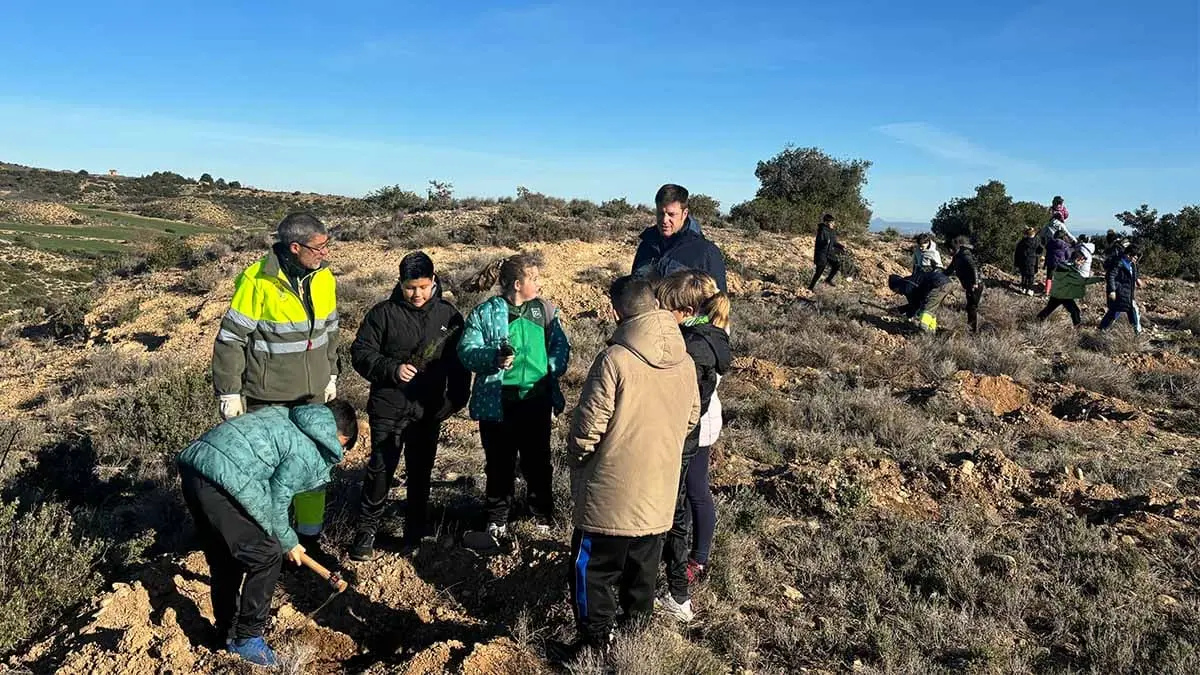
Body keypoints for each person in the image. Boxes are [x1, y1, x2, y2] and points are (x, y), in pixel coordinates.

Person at [561, 276, 700, 656]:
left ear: (615, 311)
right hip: (659, 493)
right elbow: (691, 419)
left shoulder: (615, 359)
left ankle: (593, 645)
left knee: (593, 571)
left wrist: (578, 461)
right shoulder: (685, 360)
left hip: (610, 492)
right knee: (642, 575)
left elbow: (587, 429)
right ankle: (633, 643)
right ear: (655, 303)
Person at [177, 400, 359, 667]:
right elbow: (276, 500)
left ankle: (226, 635)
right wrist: (289, 541)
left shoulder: (286, 416)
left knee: (224, 558)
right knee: (267, 555)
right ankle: (248, 638)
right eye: (343, 448)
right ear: (340, 437)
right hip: (224, 479)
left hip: (196, 468)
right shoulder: (308, 449)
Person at [211, 211, 340, 563]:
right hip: (267, 397)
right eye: (319, 247)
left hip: (312, 396)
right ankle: (268, 544)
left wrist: (331, 372)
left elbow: (330, 330)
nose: (325, 253)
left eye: (327, 245)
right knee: (268, 474)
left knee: (314, 471)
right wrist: (229, 391)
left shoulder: (324, 277)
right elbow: (231, 339)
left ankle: (309, 540)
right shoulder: (257, 280)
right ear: (294, 247)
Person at [348, 252, 471, 561]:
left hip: (427, 409)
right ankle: (366, 531)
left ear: (434, 282)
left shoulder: (449, 317)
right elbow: (361, 352)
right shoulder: (382, 314)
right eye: (409, 288)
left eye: (423, 287)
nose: (417, 294)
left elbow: (459, 364)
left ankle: (414, 533)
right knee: (380, 469)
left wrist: (454, 401)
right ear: (399, 284)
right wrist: (391, 369)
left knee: (420, 473)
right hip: (387, 406)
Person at [458, 252, 571, 547]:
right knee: (499, 463)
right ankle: (497, 518)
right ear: (518, 284)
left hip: (536, 398)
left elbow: (560, 344)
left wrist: (552, 366)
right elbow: (466, 350)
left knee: (538, 461)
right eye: (534, 278)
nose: (539, 283)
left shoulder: (544, 310)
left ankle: (541, 514)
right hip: (498, 402)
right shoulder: (486, 313)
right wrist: (492, 358)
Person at [652, 270, 731, 622]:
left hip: (691, 428)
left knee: (687, 496)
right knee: (692, 492)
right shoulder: (710, 333)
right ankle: (691, 562)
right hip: (699, 424)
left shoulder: (694, 344)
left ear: (685, 308)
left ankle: (685, 573)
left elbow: (687, 398)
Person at [631, 183, 728, 292]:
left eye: (671, 214)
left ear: (685, 213)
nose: (664, 220)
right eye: (661, 213)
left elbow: (719, 303)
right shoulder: (647, 245)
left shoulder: (706, 252)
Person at [1036, 249, 1105, 327]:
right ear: (1077, 259)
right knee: (1075, 311)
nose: (1082, 264)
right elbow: (1082, 281)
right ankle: (1078, 327)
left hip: (1057, 292)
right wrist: (1099, 279)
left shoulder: (1062, 265)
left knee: (1048, 309)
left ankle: (1036, 321)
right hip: (1064, 295)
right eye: (1081, 262)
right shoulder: (1070, 271)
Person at [888, 268, 952, 332]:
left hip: (938, 284)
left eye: (895, 290)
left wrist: (904, 314)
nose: (898, 293)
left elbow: (915, 305)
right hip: (946, 283)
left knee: (926, 309)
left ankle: (924, 330)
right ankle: (932, 331)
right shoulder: (909, 281)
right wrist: (900, 310)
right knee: (931, 308)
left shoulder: (906, 286)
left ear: (896, 286)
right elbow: (917, 303)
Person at [943, 236, 983, 332]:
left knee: (972, 307)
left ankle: (972, 331)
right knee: (970, 307)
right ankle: (971, 328)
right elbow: (950, 269)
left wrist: (975, 283)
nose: (948, 253)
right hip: (969, 285)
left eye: (948, 250)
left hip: (975, 286)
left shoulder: (965, 255)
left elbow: (974, 269)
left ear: (951, 249)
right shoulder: (957, 256)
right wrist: (940, 275)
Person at [1100, 245, 1141, 334]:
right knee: (1131, 310)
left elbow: (1133, 272)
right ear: (1128, 255)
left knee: (1116, 311)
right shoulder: (1118, 263)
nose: (1136, 258)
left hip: (1127, 292)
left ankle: (1102, 329)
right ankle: (1137, 333)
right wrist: (1112, 290)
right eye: (1135, 256)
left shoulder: (1131, 264)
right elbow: (1110, 276)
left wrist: (1137, 279)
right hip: (1120, 292)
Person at [809, 213, 846, 290]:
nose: (833, 224)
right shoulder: (822, 230)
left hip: (829, 253)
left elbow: (834, 243)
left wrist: (841, 247)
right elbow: (820, 242)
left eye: (833, 222)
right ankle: (810, 287)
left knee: (837, 264)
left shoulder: (832, 231)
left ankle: (828, 280)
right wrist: (825, 242)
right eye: (832, 222)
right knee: (819, 272)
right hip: (821, 254)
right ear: (826, 222)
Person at [1014, 227, 1042, 295]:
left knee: (1024, 275)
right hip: (1032, 261)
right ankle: (1029, 289)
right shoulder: (1036, 241)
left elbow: (1017, 252)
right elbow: (1040, 250)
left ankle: (1023, 288)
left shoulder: (1022, 242)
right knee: (1031, 276)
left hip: (1022, 260)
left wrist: (1016, 263)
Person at [1043, 230, 1072, 295]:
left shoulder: (1050, 243)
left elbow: (1047, 251)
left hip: (1050, 262)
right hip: (1060, 263)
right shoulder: (1065, 244)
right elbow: (1068, 255)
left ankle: (1047, 291)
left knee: (1049, 277)